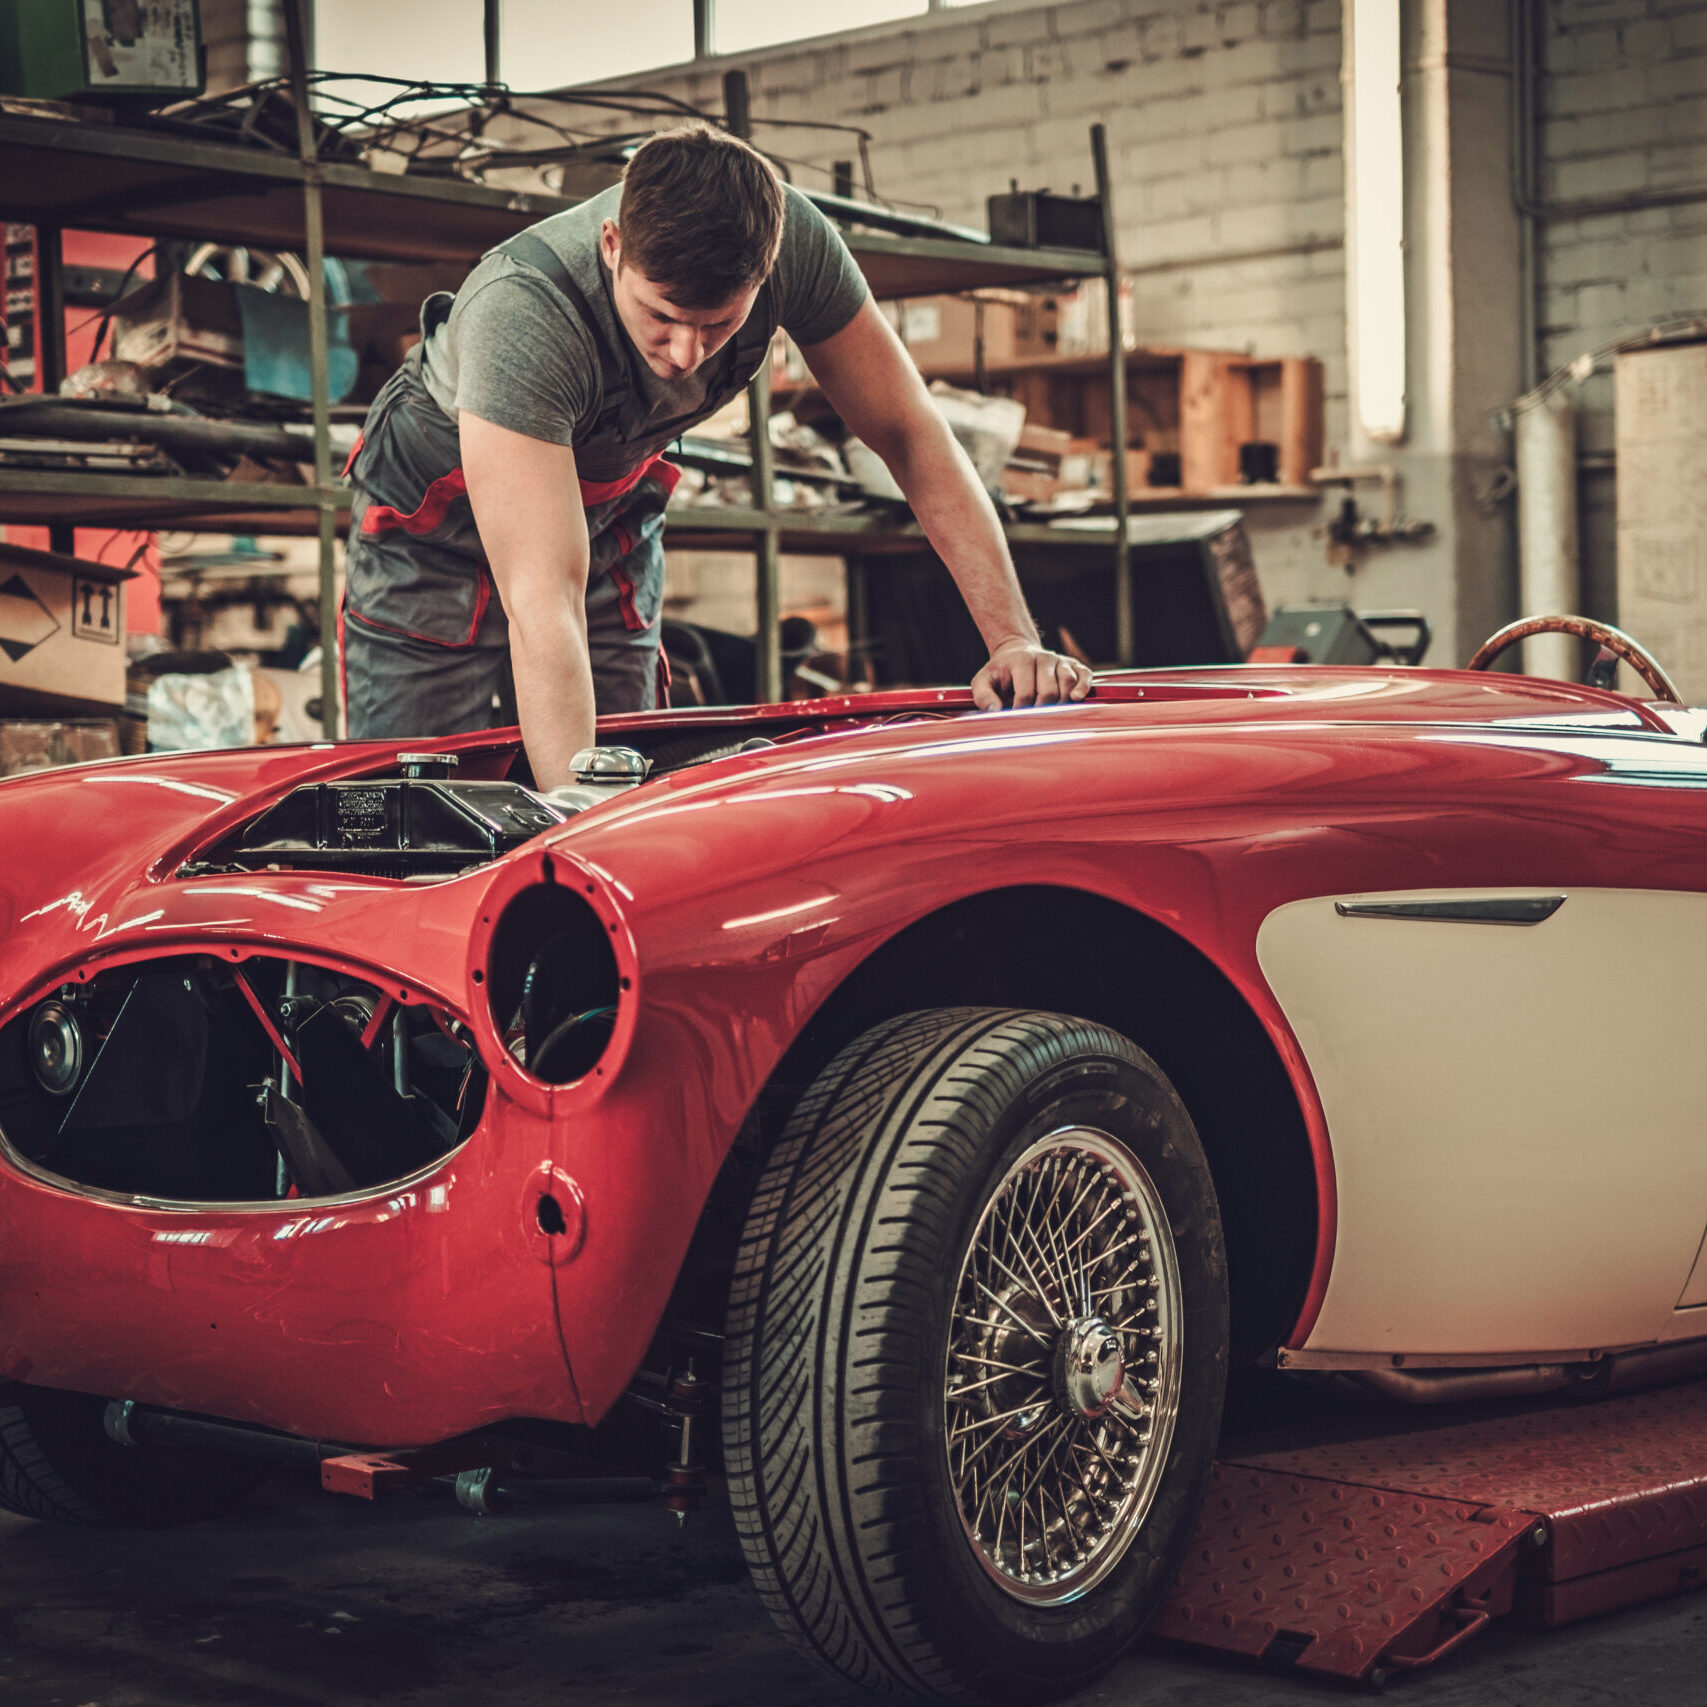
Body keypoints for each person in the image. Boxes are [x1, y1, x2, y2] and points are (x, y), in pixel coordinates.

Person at [341, 122, 1091, 790]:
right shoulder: (523, 314)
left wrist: (1012, 640)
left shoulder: (793, 240)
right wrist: (575, 822)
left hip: (606, 508)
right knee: (422, 806)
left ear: (767, 275)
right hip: (435, 517)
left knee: (628, 767)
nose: (685, 353)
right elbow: (542, 597)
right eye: (661, 316)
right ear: (611, 248)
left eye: (718, 324)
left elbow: (909, 433)